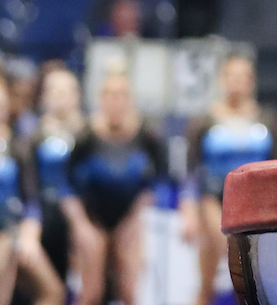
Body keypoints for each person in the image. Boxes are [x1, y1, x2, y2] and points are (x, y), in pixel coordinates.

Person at [182, 56, 277, 305]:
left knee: (253, 281)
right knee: (217, 270)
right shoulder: (203, 121)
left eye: (243, 77)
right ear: (221, 80)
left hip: (258, 203)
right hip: (214, 199)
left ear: (252, 82)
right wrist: (189, 208)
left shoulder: (268, 120)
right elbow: (191, 169)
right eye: (231, 76)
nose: (237, 83)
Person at [67, 73, 164, 305]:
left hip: (129, 219)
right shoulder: (86, 136)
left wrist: (135, 217)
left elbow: (159, 179)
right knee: (91, 293)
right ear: (101, 100)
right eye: (110, 95)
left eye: (121, 95)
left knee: (129, 292)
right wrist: (80, 224)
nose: (115, 101)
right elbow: (67, 184)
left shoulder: (146, 136)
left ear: (129, 100)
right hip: (94, 220)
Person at [0, 70, 64, 305]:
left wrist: (30, 232)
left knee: (52, 291)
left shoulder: (19, 142)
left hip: (14, 231)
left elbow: (30, 198)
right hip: (4, 237)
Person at [30, 66, 85, 289]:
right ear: (43, 97)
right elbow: (28, 183)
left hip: (80, 218)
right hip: (43, 220)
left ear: (77, 97)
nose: (60, 97)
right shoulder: (31, 135)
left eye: (66, 91)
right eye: (54, 91)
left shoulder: (88, 135)